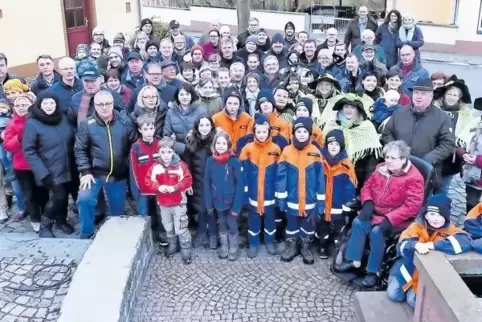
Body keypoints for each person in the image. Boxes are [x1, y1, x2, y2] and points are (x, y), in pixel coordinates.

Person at [334, 140, 424, 288]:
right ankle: (353, 260)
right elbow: (367, 187)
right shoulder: (380, 169)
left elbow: (412, 206)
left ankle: (372, 271)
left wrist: (390, 219)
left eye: (393, 158)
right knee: (358, 222)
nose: (388, 161)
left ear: (403, 159)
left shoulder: (414, 178)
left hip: (396, 218)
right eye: (387, 157)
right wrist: (368, 203)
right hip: (375, 211)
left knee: (377, 233)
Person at [387, 194, 471, 308]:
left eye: (440, 215)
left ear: (446, 217)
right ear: (425, 215)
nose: (436, 218)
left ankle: (415, 291)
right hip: (410, 270)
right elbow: (402, 245)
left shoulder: (450, 229)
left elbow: (465, 241)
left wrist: (432, 245)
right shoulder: (416, 227)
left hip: (428, 277)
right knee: (393, 295)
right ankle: (395, 276)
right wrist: (415, 245)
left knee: (413, 302)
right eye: (432, 214)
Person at [75, 91, 137, 239]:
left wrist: (128, 164)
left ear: (113, 104)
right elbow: (79, 149)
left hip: (118, 174)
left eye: (107, 104)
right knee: (84, 199)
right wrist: (85, 171)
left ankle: (114, 235)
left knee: (117, 211)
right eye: (100, 104)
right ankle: (86, 232)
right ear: (95, 105)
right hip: (94, 173)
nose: (104, 107)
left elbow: (134, 144)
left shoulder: (125, 121)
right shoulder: (86, 125)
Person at [382, 79, 455, 193]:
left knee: (419, 205)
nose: (418, 96)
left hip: (424, 172)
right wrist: (395, 153)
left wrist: (428, 159)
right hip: (397, 169)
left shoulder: (442, 118)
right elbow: (387, 133)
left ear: (431, 96)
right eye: (416, 93)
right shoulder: (400, 113)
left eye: (423, 93)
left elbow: (448, 143)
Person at [22, 92, 75, 237]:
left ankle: (61, 220)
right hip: (47, 169)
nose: (49, 106)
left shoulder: (62, 118)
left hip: (66, 166)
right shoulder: (33, 123)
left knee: (63, 196)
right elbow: (29, 150)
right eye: (45, 103)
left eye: (52, 102)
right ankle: (45, 226)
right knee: (58, 196)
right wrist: (42, 173)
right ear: (39, 104)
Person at [276, 117, 325, 264]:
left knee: (308, 225)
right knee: (291, 225)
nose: (302, 134)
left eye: (305, 131)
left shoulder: (315, 152)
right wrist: (281, 200)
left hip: (310, 200)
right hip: (292, 198)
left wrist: (320, 203)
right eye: (298, 131)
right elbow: (281, 178)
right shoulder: (287, 151)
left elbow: (320, 179)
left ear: (310, 134)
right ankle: (291, 246)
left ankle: (305, 247)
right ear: (293, 133)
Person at [4, 94, 49, 233]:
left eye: (24, 105)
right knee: (29, 195)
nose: (21, 108)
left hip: (40, 163)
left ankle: (46, 215)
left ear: (30, 105)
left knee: (43, 192)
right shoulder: (12, 124)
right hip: (22, 166)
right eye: (17, 105)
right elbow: (8, 145)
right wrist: (19, 138)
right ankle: (35, 219)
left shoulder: (38, 119)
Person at [145, 137, 193, 264]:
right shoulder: (155, 167)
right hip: (164, 204)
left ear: (173, 152)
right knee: (168, 227)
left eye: (169, 152)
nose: (166, 156)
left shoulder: (181, 166)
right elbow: (148, 181)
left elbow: (188, 180)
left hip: (179, 203)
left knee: (181, 227)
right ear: (159, 153)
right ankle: (173, 245)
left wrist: (176, 187)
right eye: (163, 152)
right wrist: (158, 187)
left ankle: (186, 249)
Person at [239, 113, 281, 258]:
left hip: (270, 193)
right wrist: (244, 194)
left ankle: (269, 241)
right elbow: (242, 174)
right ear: (254, 131)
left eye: (265, 132)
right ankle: (253, 243)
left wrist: (277, 191)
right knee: (253, 218)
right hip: (253, 192)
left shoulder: (276, 149)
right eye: (259, 132)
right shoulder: (247, 149)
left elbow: (279, 173)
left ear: (269, 131)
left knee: (270, 218)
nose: (262, 135)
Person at [322, 94, 381, 189]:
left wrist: (365, 187)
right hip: (333, 173)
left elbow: (372, 160)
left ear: (358, 109)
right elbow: (323, 148)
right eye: (346, 107)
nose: (348, 110)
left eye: (352, 107)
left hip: (358, 176)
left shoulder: (367, 126)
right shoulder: (332, 123)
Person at [204, 131, 245, 261]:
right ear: (214, 145)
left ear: (228, 146)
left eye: (224, 143)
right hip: (217, 201)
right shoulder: (210, 161)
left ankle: (234, 247)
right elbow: (206, 182)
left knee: (231, 223)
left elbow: (240, 185)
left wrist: (237, 206)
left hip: (232, 201)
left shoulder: (235, 162)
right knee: (221, 223)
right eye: (218, 143)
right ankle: (224, 246)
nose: (221, 146)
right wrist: (209, 203)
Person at [317, 129, 357, 258]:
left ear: (341, 146)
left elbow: (350, 186)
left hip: (337, 202)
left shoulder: (346, 164)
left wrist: (347, 204)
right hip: (322, 201)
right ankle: (322, 245)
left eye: (337, 144)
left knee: (338, 226)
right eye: (331, 144)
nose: (333, 147)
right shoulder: (320, 161)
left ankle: (336, 245)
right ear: (326, 145)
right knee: (322, 225)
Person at [433, 76, 473, 195]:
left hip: (451, 157)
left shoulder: (466, 115)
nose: (451, 97)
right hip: (433, 153)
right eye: (449, 94)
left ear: (459, 97)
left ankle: (439, 211)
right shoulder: (434, 109)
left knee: (443, 189)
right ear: (444, 94)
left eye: (455, 95)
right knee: (428, 187)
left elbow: (467, 137)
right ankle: (426, 212)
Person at [183, 116, 217, 249]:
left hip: (214, 182)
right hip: (198, 180)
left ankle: (213, 234)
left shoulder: (216, 141)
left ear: (212, 127)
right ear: (196, 127)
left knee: (212, 209)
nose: (204, 128)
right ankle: (201, 231)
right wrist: (189, 182)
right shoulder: (191, 142)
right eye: (201, 125)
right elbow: (187, 165)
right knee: (201, 208)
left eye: (207, 125)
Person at [129, 114, 164, 239]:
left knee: (161, 213)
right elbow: (133, 170)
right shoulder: (135, 147)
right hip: (143, 189)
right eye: (145, 129)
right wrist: (136, 190)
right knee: (143, 213)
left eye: (151, 128)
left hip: (159, 188)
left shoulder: (160, 144)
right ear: (139, 130)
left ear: (155, 129)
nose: (149, 132)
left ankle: (162, 234)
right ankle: (145, 237)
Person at [163, 83, 206, 155]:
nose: (185, 97)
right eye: (181, 95)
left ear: (192, 95)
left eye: (187, 94)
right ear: (177, 96)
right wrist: (182, 148)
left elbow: (206, 133)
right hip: (178, 151)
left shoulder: (201, 110)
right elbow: (166, 136)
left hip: (197, 149)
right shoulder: (171, 112)